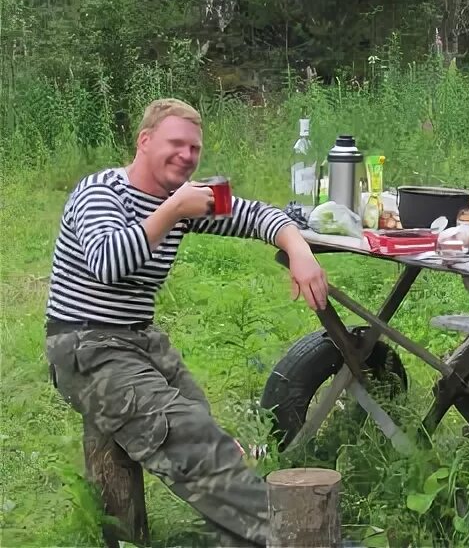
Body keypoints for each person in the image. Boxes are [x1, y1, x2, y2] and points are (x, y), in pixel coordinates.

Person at [43, 98, 328, 547]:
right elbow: (108, 263)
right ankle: (297, 538)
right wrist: (174, 209)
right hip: (85, 344)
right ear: (144, 141)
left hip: (139, 341)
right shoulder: (102, 192)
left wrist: (300, 251)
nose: (187, 156)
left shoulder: (177, 198)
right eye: (176, 144)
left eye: (194, 149)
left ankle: (229, 536)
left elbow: (258, 214)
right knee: (189, 437)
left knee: (202, 427)